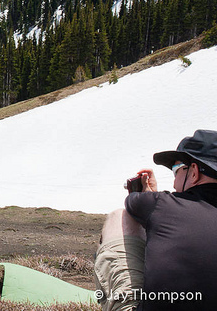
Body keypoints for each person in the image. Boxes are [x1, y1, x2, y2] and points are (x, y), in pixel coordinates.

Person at [93, 129, 217, 311]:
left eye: (176, 170)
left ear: (194, 172)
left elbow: (133, 203)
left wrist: (151, 196)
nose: (174, 183)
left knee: (120, 217)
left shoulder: (160, 204)